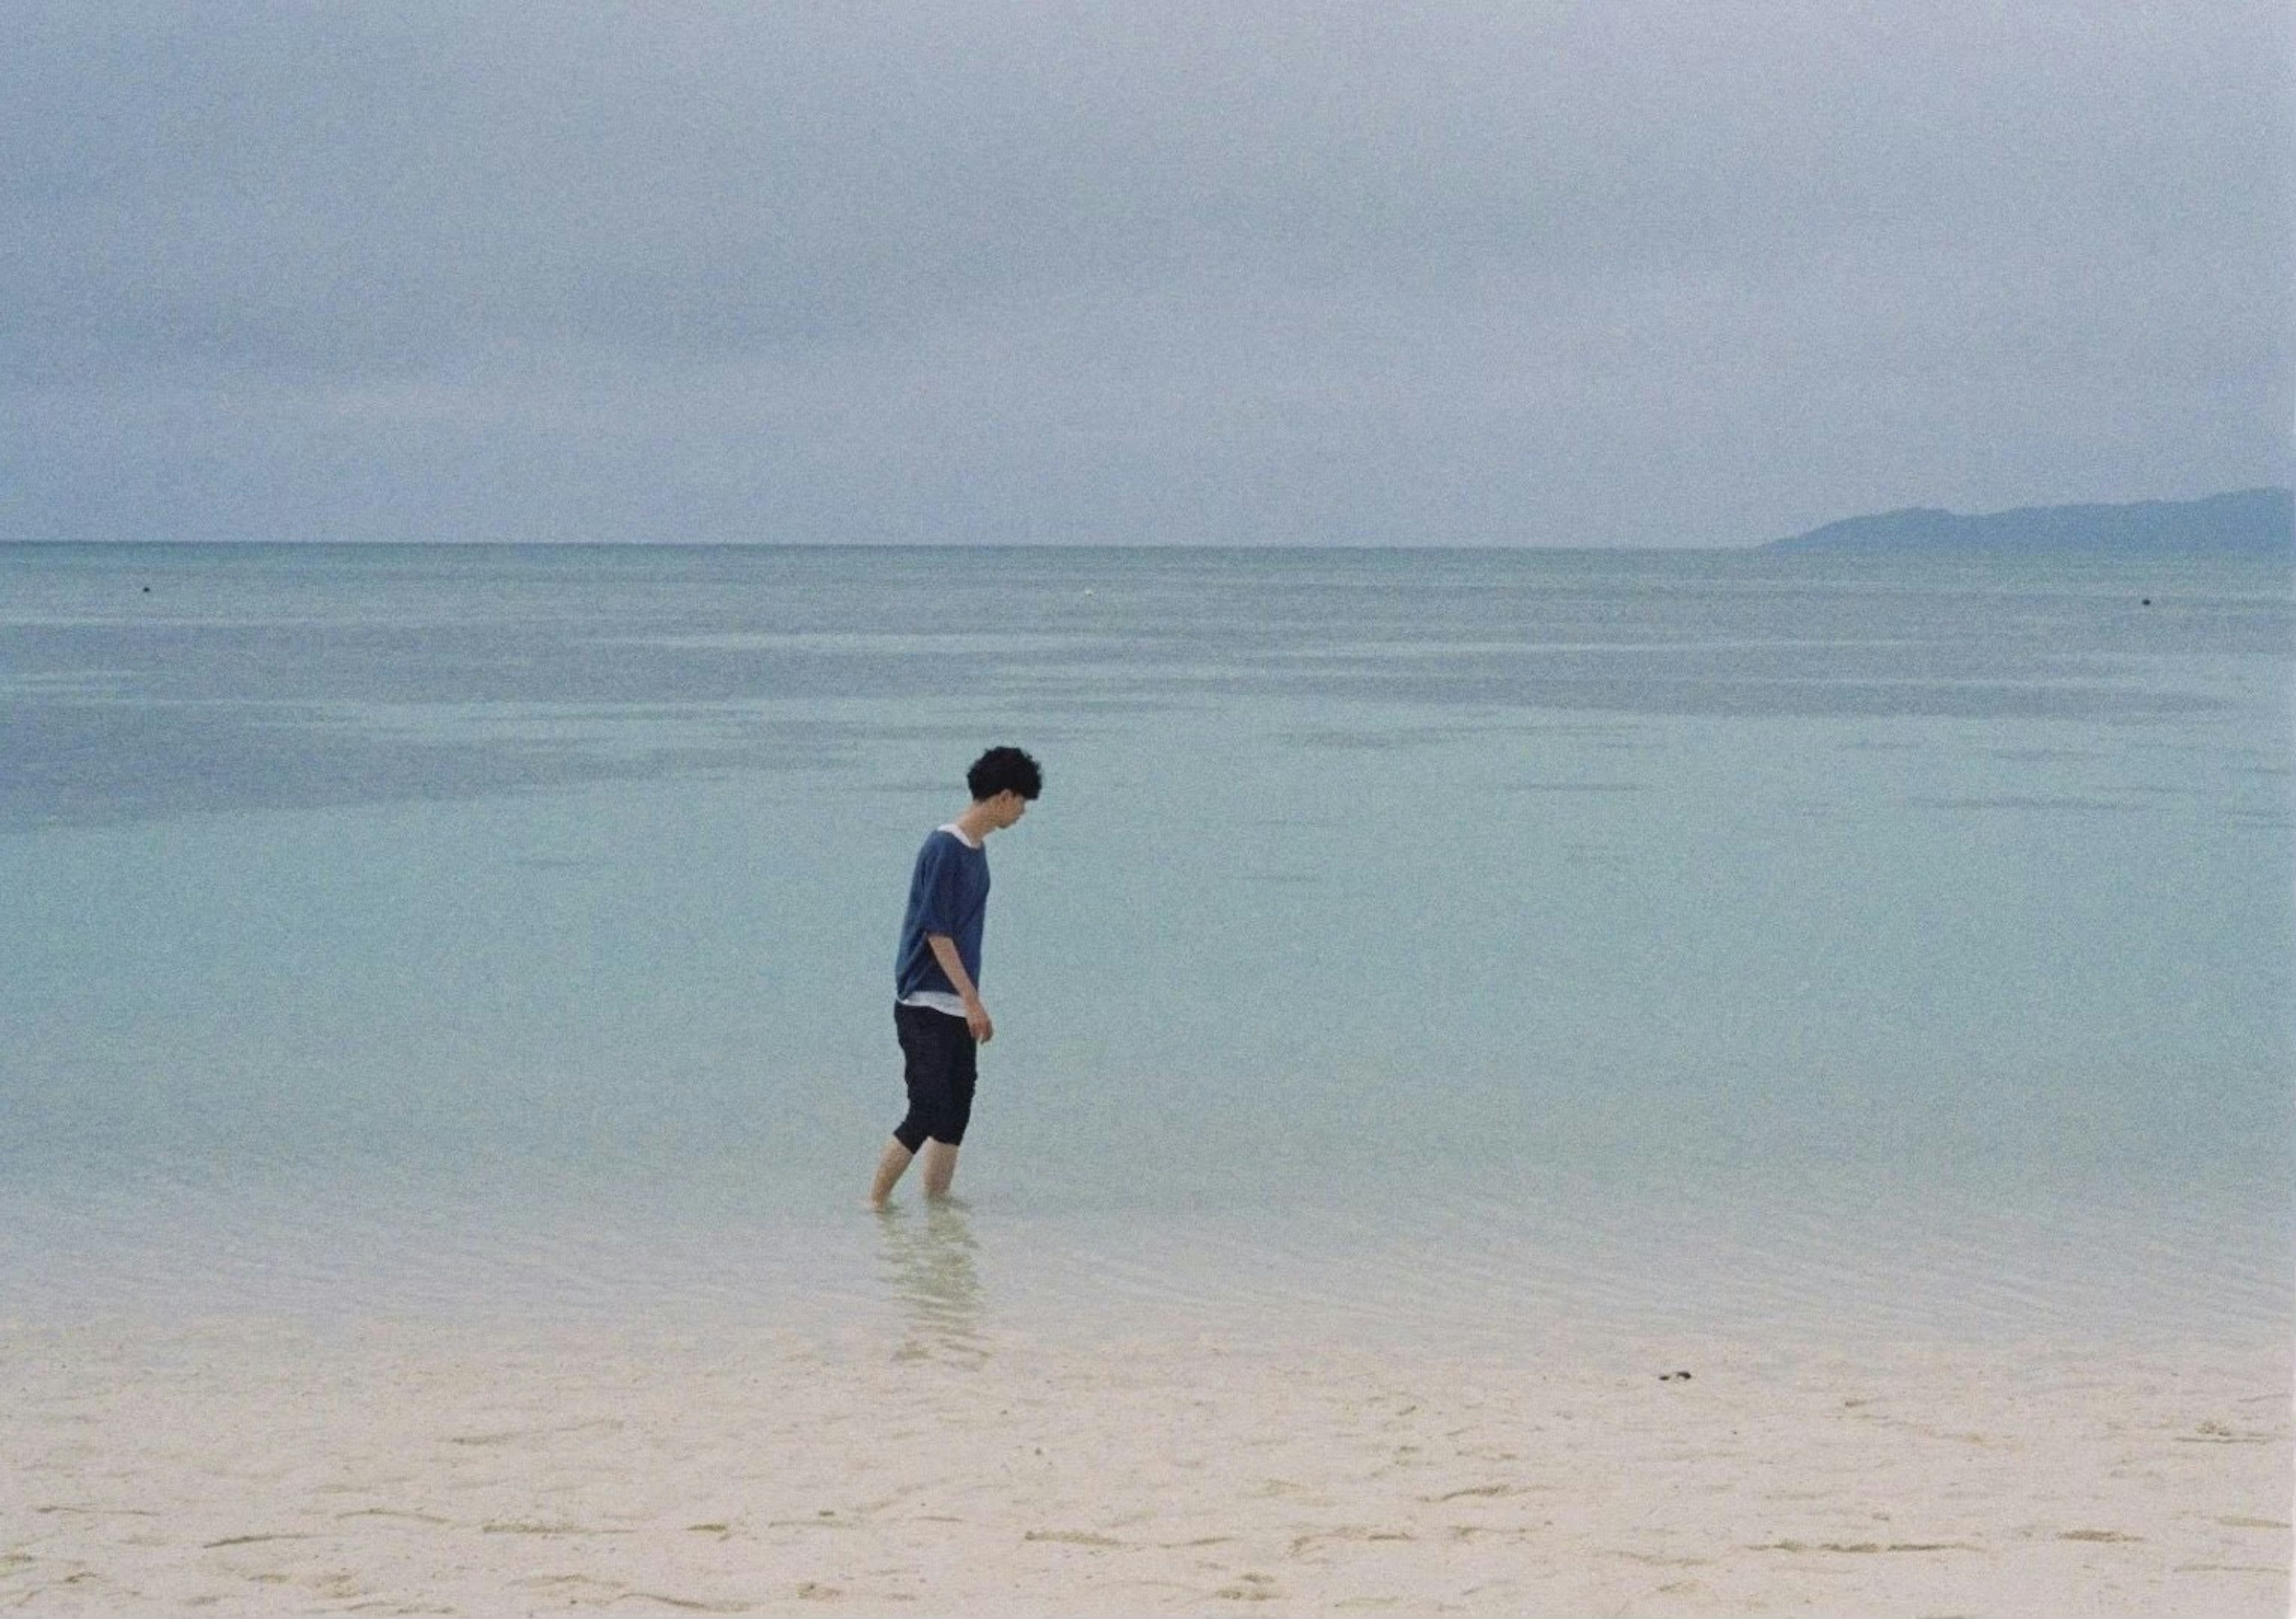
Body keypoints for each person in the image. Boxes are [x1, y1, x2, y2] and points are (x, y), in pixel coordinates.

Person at [868, 746, 1043, 1209]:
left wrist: (967, 1001)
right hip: (925, 1002)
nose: (1022, 814)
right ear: (1004, 797)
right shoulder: (944, 847)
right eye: (1022, 803)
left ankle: (938, 1215)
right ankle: (875, 1205)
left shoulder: (976, 851)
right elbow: (936, 932)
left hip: (953, 1004)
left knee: (955, 1114)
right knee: (926, 1109)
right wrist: (973, 1000)